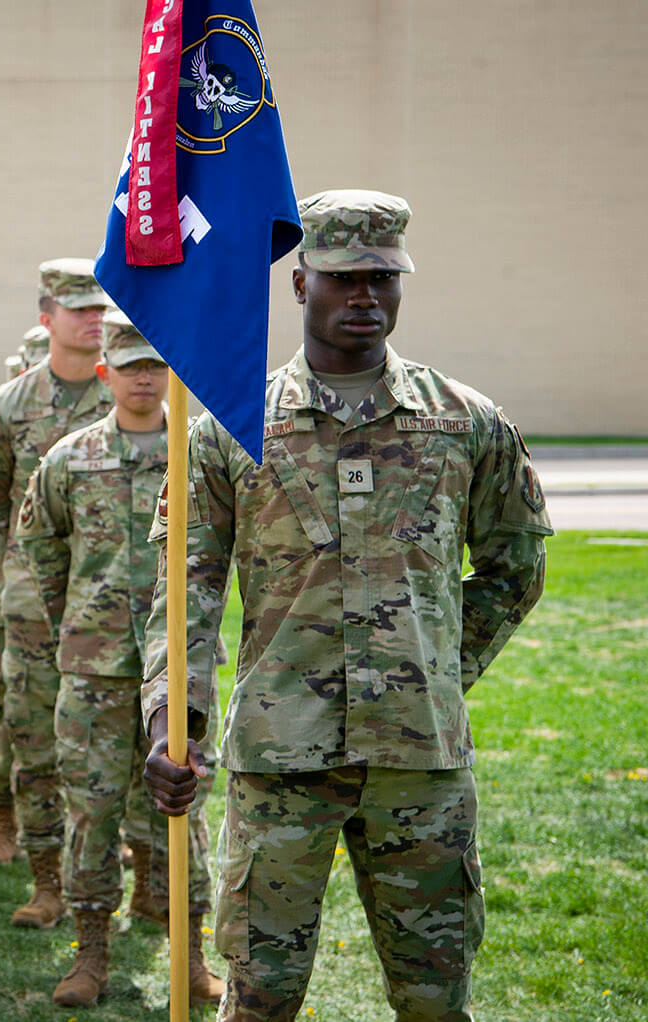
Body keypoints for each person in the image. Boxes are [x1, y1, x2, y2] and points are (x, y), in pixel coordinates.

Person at [143, 190, 553, 1021]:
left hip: (419, 767)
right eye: (344, 280)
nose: (366, 296)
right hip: (280, 758)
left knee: (435, 996)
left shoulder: (464, 422)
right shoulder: (233, 425)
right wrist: (172, 717)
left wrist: (437, 669)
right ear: (301, 285)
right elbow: (186, 586)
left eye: (383, 279)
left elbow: (516, 565)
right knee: (260, 998)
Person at [13, 310, 223, 1006]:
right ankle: (90, 954)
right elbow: (41, 551)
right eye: (130, 366)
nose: (143, 378)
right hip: (96, 670)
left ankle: (187, 955)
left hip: (179, 670)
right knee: (92, 811)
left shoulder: (200, 454)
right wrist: (74, 627)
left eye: (154, 366)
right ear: (105, 372)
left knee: (181, 812)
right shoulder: (69, 458)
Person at [0, 258, 111, 927]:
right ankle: (48, 883)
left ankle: (123, 875)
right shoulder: (11, 405)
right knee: (33, 738)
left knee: (117, 745)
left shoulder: (136, 394)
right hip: (31, 612)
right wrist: (22, 561)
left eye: (99, 308)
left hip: (116, 606)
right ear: (46, 318)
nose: (92, 320)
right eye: (77, 308)